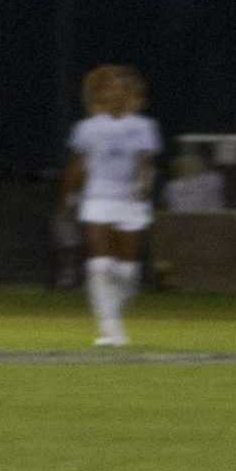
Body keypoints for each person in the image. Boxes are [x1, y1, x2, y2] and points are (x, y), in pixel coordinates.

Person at [59, 64, 161, 348]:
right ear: (100, 92)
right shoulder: (88, 128)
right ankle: (110, 329)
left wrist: (143, 187)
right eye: (110, 86)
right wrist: (68, 199)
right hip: (98, 198)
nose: (116, 90)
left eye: (120, 86)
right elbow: (77, 165)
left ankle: (112, 316)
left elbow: (146, 163)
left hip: (129, 202)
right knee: (101, 266)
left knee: (127, 273)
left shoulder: (143, 126)